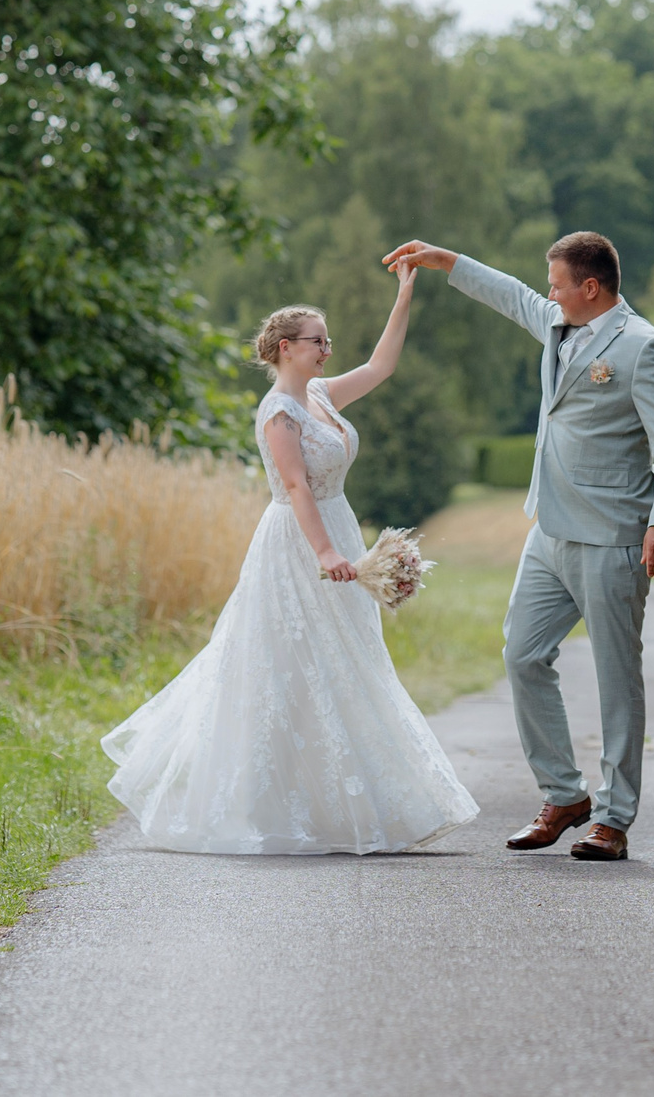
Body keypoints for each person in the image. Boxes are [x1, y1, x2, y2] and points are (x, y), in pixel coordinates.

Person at [101, 262, 479, 854]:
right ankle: (279, 806)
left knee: (351, 659)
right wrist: (325, 552)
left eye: (328, 341)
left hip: (339, 528)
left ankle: (352, 803)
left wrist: (405, 294)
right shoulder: (279, 410)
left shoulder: (322, 395)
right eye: (317, 341)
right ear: (286, 348)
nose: (327, 349)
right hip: (300, 542)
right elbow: (297, 485)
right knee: (295, 662)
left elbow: (382, 366)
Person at [382, 231, 654, 861]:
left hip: (612, 537)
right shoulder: (557, 323)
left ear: (591, 288)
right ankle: (564, 793)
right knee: (523, 655)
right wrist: (447, 263)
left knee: (616, 679)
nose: (547, 295)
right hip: (548, 532)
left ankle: (613, 818)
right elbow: (513, 295)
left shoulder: (643, 348)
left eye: (558, 285)